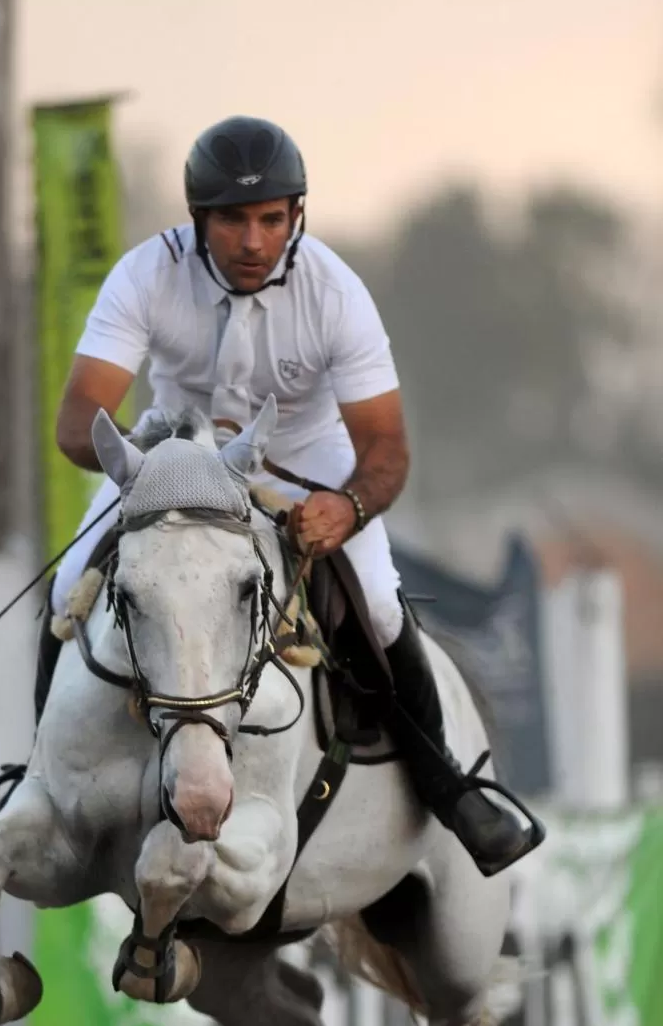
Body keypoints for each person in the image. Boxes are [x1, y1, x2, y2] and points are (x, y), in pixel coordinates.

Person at [43, 114, 540, 877]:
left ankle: (450, 788)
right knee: (66, 586)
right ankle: (44, 777)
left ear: (295, 216)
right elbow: (79, 419)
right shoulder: (145, 274)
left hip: (304, 461)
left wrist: (350, 507)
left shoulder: (335, 293)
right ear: (198, 218)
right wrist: (151, 459)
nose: (253, 241)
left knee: (379, 604)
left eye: (271, 219)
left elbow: (386, 447)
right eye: (233, 220)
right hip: (175, 459)